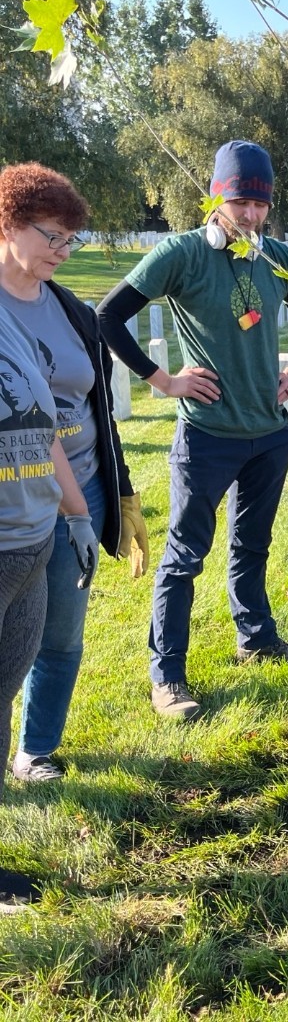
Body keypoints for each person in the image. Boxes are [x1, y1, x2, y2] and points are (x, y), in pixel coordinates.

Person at [98, 140, 288, 721]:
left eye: (260, 204)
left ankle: (257, 638)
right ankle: (167, 677)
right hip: (207, 437)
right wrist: (163, 380)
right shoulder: (183, 254)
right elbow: (108, 315)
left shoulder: (275, 255)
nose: (250, 215)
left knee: (253, 544)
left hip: (269, 433)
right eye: (240, 201)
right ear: (218, 196)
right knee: (184, 556)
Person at [0, 162, 148, 784]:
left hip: (77, 485)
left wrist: (113, 497)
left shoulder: (73, 313)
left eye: (70, 238)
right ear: (8, 223)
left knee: (57, 634)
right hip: (13, 499)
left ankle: (36, 750)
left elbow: (96, 413)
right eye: (49, 235)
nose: (61, 250)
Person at [1, 302, 96, 901]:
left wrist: (79, 513)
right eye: (51, 236)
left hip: (31, 543)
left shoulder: (11, 320)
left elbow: (43, 426)